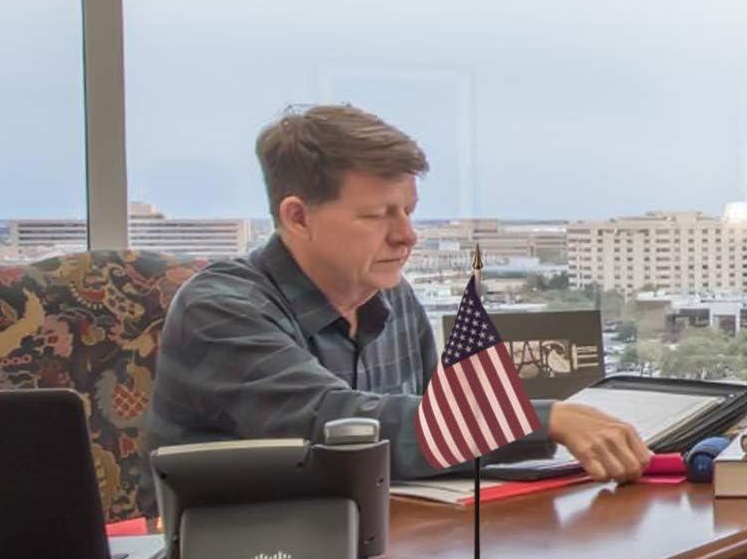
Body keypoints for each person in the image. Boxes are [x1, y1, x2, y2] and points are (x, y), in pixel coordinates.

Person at [143, 105, 651, 499]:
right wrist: (542, 420)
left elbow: (429, 430)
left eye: (409, 211)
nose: (406, 236)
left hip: (385, 550)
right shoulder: (221, 309)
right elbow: (338, 425)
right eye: (377, 216)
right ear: (298, 217)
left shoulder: (393, 296)